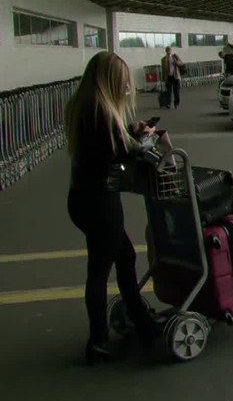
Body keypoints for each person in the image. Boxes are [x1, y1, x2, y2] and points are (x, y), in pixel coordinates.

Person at [64, 51, 158, 365]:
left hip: (82, 198)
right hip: (100, 201)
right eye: (122, 83)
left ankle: (130, 326)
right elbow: (117, 154)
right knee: (107, 268)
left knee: (115, 262)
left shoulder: (83, 105)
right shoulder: (100, 111)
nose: (125, 89)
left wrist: (128, 134)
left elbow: (105, 147)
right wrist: (142, 141)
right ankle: (103, 339)